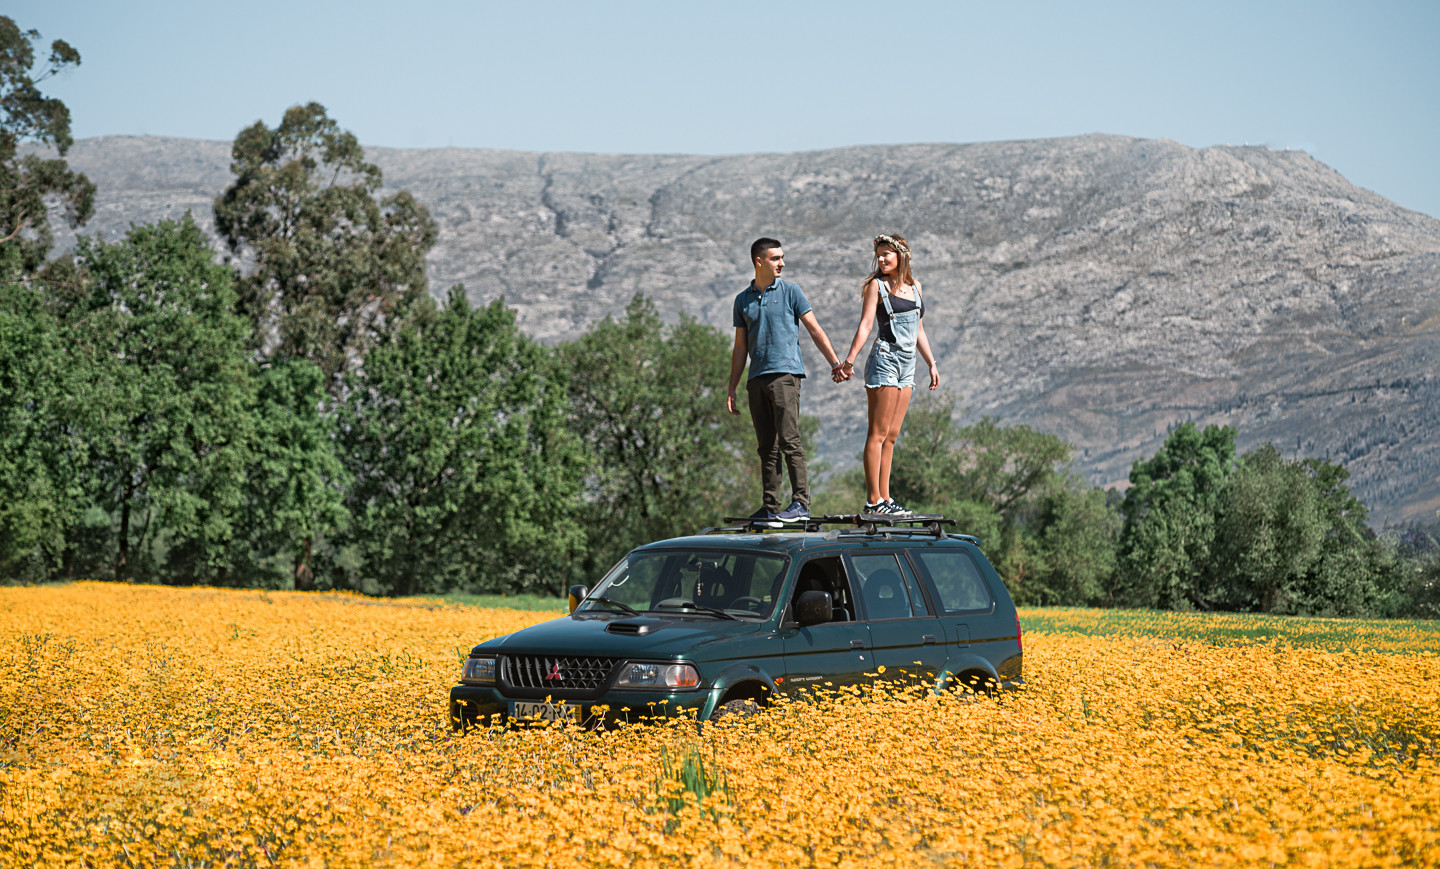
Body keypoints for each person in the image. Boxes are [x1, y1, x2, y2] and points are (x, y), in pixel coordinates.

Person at [728, 237, 846, 523]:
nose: (782, 263)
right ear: (759, 262)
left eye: (782, 257)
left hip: (785, 375)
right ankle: (770, 507)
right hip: (756, 379)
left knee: (789, 440)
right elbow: (741, 347)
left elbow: (815, 330)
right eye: (775, 258)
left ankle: (801, 504)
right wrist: (731, 387)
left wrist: (835, 363)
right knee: (765, 446)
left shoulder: (792, 292)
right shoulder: (742, 300)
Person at [836, 233, 939, 515]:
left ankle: (886, 497)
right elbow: (866, 324)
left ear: (901, 255)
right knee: (878, 433)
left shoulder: (916, 287)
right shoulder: (876, 287)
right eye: (878, 255)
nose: (881, 260)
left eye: (887, 254)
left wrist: (931, 362)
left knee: (892, 435)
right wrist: (849, 360)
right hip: (885, 359)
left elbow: (918, 329)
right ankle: (873, 501)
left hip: (908, 364)